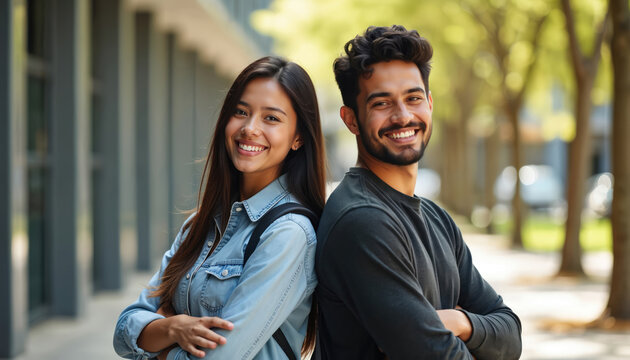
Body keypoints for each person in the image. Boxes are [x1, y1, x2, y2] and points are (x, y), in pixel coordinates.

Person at [315, 25, 522, 360]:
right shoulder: (362, 220)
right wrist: (473, 335)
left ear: (429, 103)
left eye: (413, 98)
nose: (403, 116)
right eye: (381, 103)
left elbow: (511, 336)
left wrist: (459, 321)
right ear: (351, 120)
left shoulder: (436, 218)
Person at [114, 56, 326, 360]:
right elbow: (124, 329)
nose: (250, 128)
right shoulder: (202, 224)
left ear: (298, 138)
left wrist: (157, 343)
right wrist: (174, 329)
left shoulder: (288, 233)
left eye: (271, 118)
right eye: (241, 112)